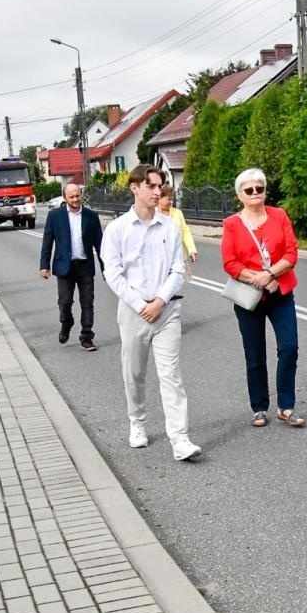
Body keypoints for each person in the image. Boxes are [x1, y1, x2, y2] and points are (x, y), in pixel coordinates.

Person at [102, 166, 202, 461]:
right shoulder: (117, 229)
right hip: (134, 312)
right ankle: (138, 422)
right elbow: (113, 273)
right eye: (151, 186)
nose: (158, 192)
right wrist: (140, 304)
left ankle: (180, 439)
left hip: (167, 310)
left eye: (161, 186)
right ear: (135, 187)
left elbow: (177, 269)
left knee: (171, 376)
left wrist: (160, 301)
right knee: (134, 373)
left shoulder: (169, 226)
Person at [221, 168, 304, 428]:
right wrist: (256, 279)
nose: (256, 193)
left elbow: (291, 253)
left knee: (289, 348)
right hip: (249, 298)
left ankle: (286, 406)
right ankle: (259, 407)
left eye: (260, 188)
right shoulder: (232, 224)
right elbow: (229, 262)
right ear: (240, 195)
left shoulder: (279, 216)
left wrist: (269, 275)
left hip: (280, 292)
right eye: (249, 190)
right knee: (255, 353)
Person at [39, 183, 103, 351]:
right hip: (64, 266)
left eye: (77, 196)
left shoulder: (91, 216)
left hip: (85, 266)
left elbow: (100, 244)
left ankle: (87, 337)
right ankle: (66, 323)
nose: (75, 199)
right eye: (71, 197)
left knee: (87, 302)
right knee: (65, 302)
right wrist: (44, 265)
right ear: (65, 198)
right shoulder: (55, 216)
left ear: (81, 195)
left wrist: (106, 268)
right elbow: (47, 241)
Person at [157, 185, 198, 279]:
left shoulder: (177, 213)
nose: (171, 202)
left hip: (176, 257)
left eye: (172, 199)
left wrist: (191, 250)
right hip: (160, 259)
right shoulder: (153, 214)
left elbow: (185, 232)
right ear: (160, 198)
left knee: (175, 283)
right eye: (169, 199)